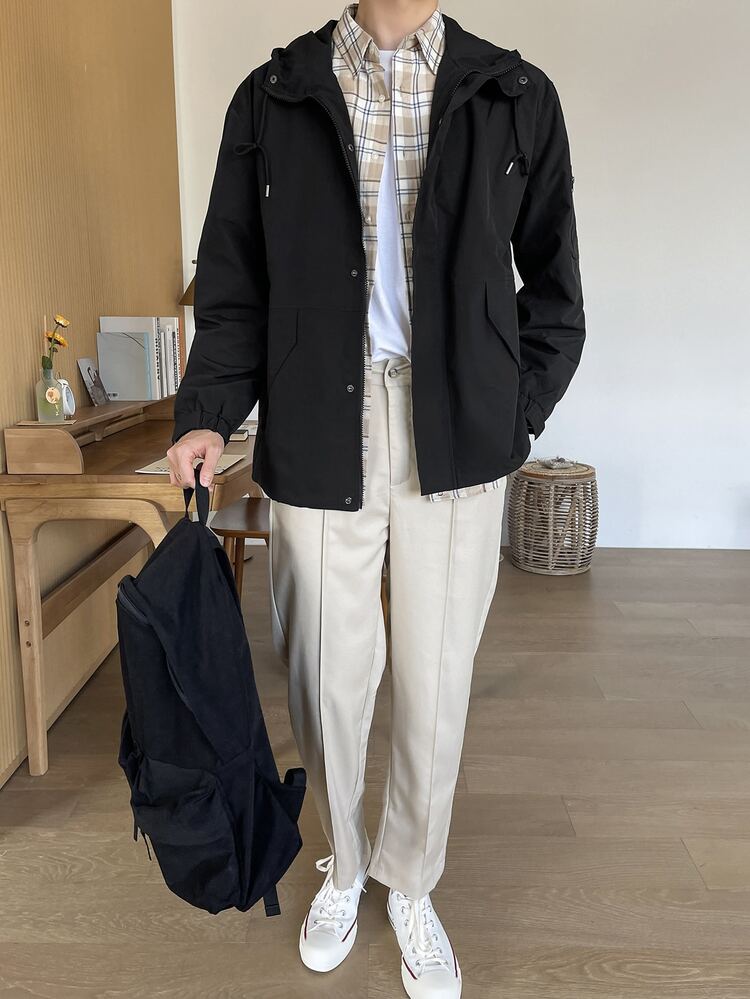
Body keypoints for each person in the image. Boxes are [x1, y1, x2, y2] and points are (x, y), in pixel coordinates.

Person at [167, 2, 585, 995]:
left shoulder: (516, 95)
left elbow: (555, 288)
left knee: (437, 682)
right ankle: (346, 864)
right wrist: (209, 412)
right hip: (319, 416)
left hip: (458, 425)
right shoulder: (272, 97)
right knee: (325, 672)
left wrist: (511, 413)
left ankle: (412, 882)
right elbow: (232, 279)